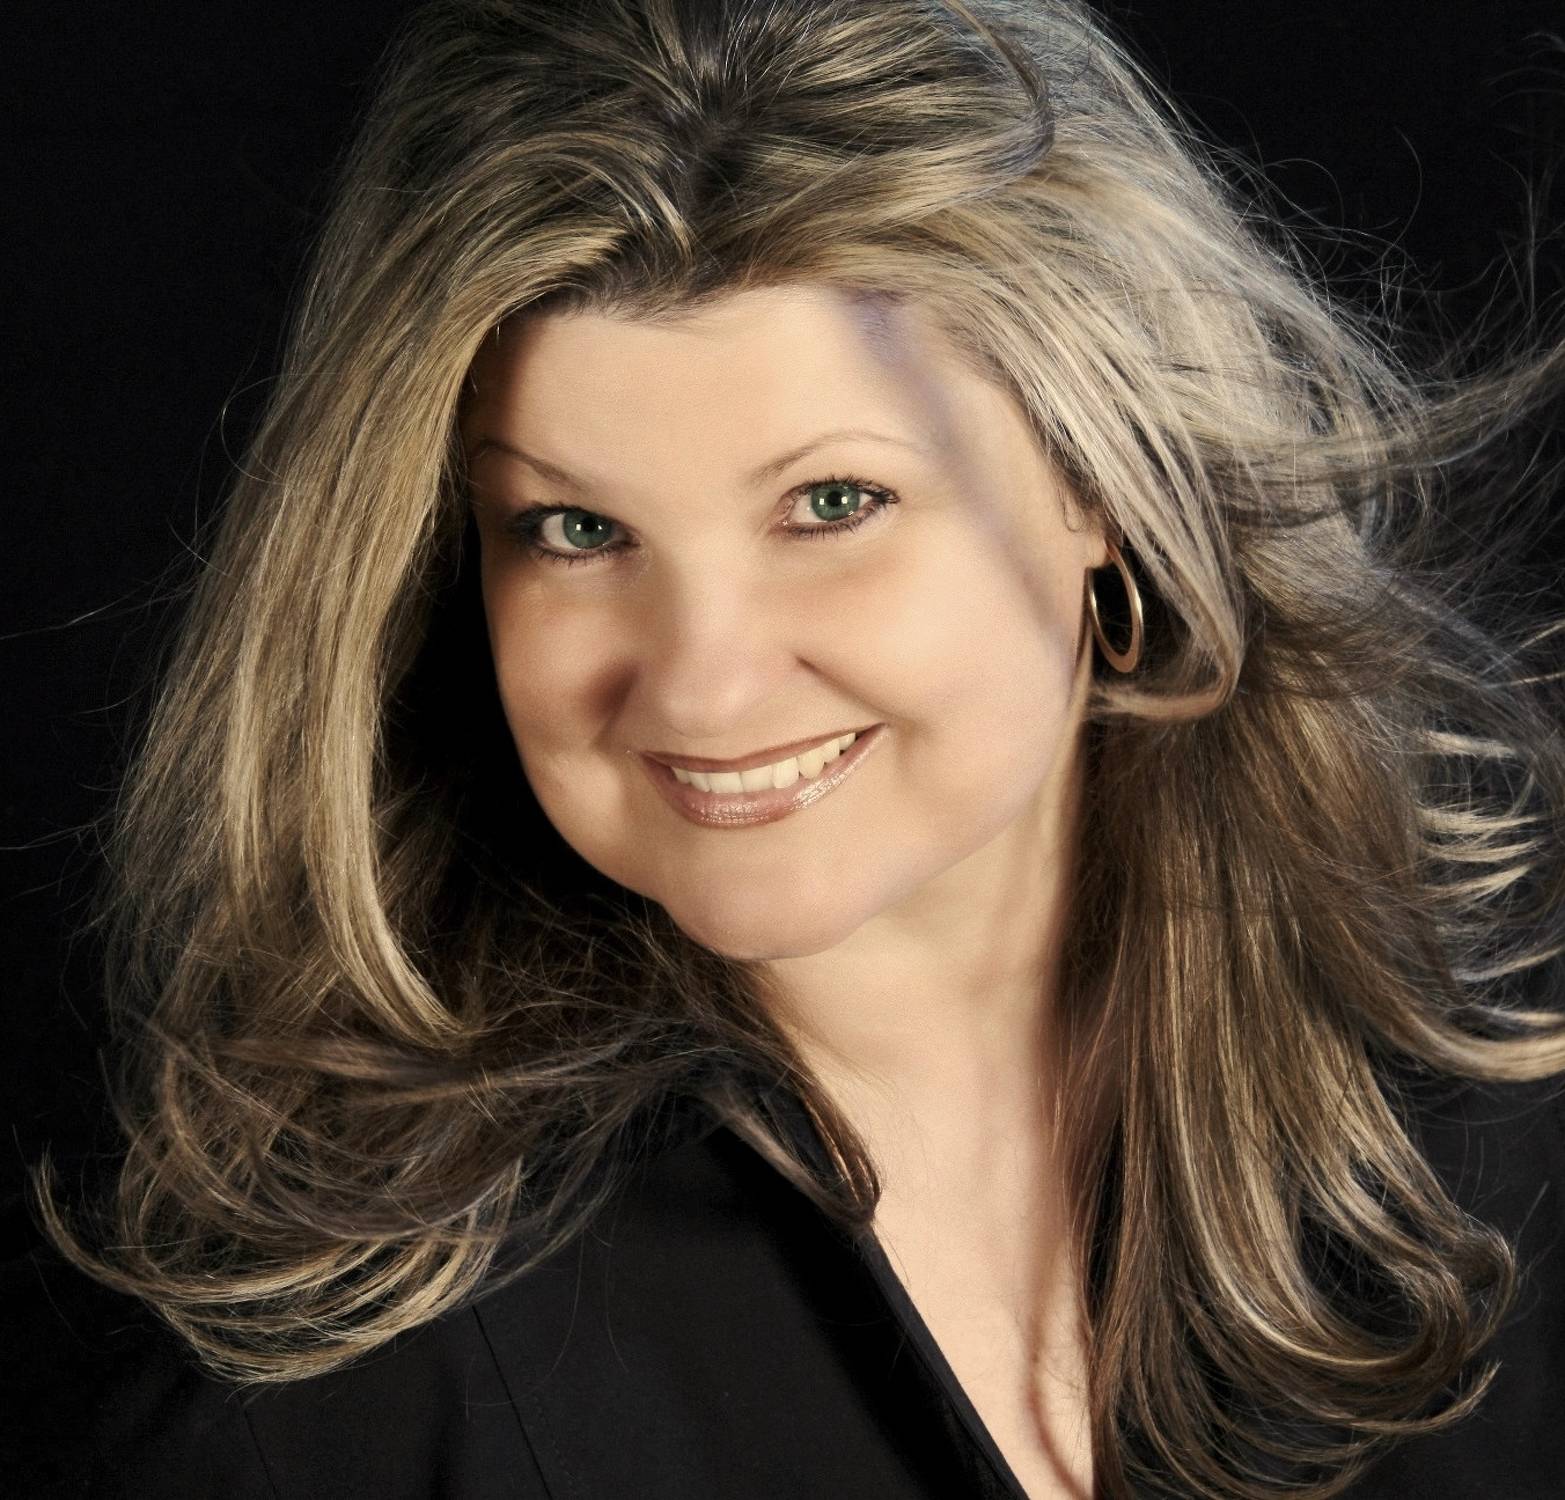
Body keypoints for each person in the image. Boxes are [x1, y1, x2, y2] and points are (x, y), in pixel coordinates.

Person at [23, 0, 1565, 1496]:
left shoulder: (1509, 1102)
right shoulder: (328, 1393)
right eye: (573, 530)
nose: (701, 688)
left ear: (1103, 482)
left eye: (833, 504)